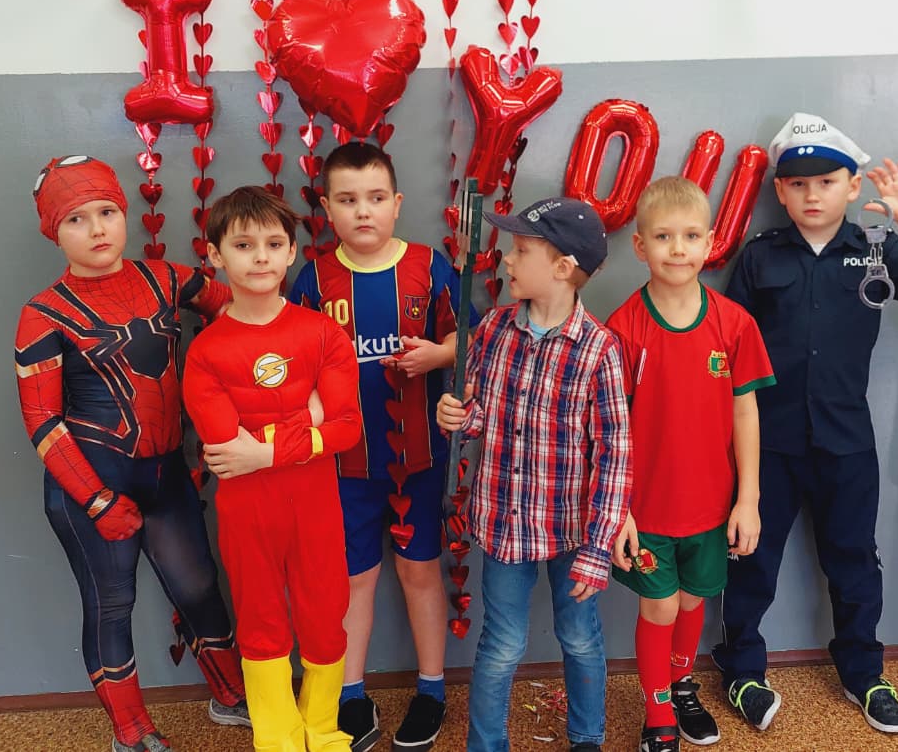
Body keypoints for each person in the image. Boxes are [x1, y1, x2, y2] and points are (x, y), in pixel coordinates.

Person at [712, 114, 898, 736]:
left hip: (846, 441)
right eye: (798, 184)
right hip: (766, 443)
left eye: (826, 182)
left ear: (852, 187)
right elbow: (727, 347)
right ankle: (741, 667)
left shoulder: (875, 249)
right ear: (780, 191)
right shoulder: (761, 256)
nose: (812, 194)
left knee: (854, 562)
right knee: (751, 559)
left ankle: (863, 672)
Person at [13, 155, 247, 752]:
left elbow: (242, 311)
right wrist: (94, 498)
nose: (97, 229)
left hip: (166, 473)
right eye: (76, 218)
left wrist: (239, 379)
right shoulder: (42, 314)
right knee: (111, 603)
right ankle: (130, 731)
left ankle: (232, 697)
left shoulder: (168, 279)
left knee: (199, 586)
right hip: (92, 481)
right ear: (53, 230)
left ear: (124, 214)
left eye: (107, 212)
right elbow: (42, 420)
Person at [290, 141, 470, 751]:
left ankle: (431, 690)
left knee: (420, 572)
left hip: (419, 461)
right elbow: (291, 362)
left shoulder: (429, 266)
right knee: (354, 580)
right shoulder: (314, 280)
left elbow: (470, 339)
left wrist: (438, 355)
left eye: (374, 198)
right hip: (345, 466)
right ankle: (350, 694)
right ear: (327, 209)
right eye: (347, 200)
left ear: (396, 203)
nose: (362, 211)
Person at [436, 197, 632, 752]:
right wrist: (459, 416)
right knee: (500, 644)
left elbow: (615, 454)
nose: (506, 259)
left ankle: (587, 738)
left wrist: (597, 550)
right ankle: (486, 745)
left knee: (580, 637)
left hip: (572, 529)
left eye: (521, 250)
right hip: (504, 524)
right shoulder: (495, 330)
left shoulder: (599, 350)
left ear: (563, 268)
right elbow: (479, 415)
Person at [182, 186, 363, 752]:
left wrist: (265, 450)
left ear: (291, 253)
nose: (260, 256)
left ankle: (323, 730)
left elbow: (348, 428)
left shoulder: (323, 334)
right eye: (243, 245)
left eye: (273, 243)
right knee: (261, 623)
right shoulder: (206, 352)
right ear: (215, 255)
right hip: (247, 512)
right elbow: (223, 445)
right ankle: (277, 739)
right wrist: (309, 418)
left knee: (326, 616)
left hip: (315, 508)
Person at [606, 177, 776, 752]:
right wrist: (619, 508)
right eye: (663, 237)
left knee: (692, 600)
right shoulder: (624, 329)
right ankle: (657, 714)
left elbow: (746, 413)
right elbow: (610, 428)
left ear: (711, 243)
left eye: (690, 236)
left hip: (712, 504)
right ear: (639, 246)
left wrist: (748, 499)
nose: (677, 249)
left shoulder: (733, 323)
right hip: (646, 506)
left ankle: (681, 687)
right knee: (659, 604)